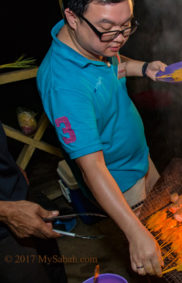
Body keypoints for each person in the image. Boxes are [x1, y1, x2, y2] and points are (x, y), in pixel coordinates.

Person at [37, 0, 166, 277]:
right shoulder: (64, 85)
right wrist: (135, 232)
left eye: (126, 25)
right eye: (108, 29)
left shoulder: (94, 42)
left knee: (170, 222)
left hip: (141, 159)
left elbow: (112, 67)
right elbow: (92, 166)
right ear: (72, 17)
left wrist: (143, 68)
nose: (120, 39)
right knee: (155, 253)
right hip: (120, 183)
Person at [0, 121, 67, 283]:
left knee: (54, 267)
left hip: (17, 190)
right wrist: (5, 211)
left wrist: (9, 164)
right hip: (4, 226)